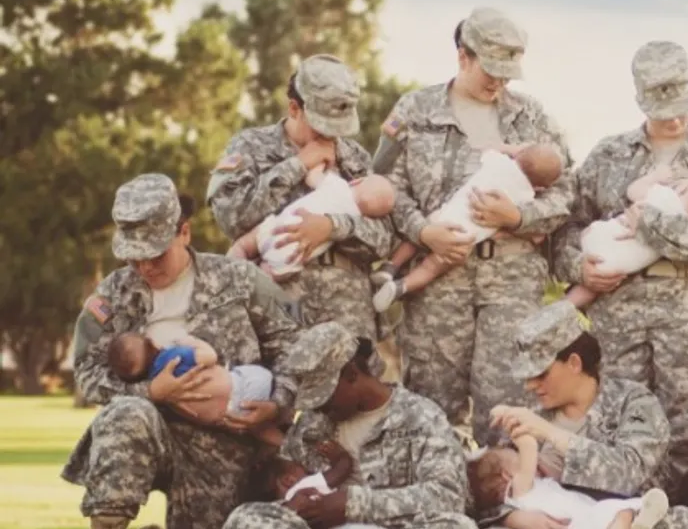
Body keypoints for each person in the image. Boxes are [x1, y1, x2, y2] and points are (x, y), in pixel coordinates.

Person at [62, 174, 300, 529]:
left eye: (155, 255)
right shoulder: (114, 295)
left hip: (225, 442)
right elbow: (87, 371)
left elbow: (294, 349)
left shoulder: (240, 281)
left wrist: (276, 404)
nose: (145, 267)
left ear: (184, 231)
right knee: (127, 413)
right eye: (134, 257)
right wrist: (148, 391)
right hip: (149, 431)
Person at [370, 7, 574, 444]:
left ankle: (507, 505)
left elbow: (566, 192)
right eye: (491, 70)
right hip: (438, 280)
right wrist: (423, 231)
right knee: (430, 409)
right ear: (464, 56)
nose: (499, 82)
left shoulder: (531, 117)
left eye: (508, 73)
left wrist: (519, 217)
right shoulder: (415, 110)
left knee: (509, 406)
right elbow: (384, 186)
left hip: (512, 279)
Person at [554, 40, 688, 492]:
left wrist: (651, 225)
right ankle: (620, 521)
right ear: (640, 97)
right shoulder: (608, 155)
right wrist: (580, 267)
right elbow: (566, 229)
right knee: (618, 423)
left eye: (679, 103)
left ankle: (683, 526)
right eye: (661, 107)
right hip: (618, 309)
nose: (673, 117)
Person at [222, 323, 482, 529]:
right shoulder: (315, 423)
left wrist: (352, 504)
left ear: (351, 375)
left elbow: (447, 496)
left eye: (324, 397)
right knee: (243, 521)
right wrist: (296, 503)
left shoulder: (420, 416)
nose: (319, 407)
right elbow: (291, 478)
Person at [475, 302, 688, 529]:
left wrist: (550, 434)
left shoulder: (632, 401)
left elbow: (629, 474)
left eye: (541, 374)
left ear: (574, 363)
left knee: (684, 525)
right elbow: (492, 486)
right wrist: (515, 518)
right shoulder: (529, 412)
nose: (531, 386)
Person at [207, 53, 392, 373]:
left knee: (352, 414)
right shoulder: (250, 146)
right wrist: (296, 166)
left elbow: (384, 239)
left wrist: (332, 227)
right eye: (322, 125)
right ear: (294, 107)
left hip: (346, 311)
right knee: (272, 402)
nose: (331, 136)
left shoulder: (355, 157)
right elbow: (230, 218)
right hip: (276, 306)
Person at [468, 414, 670, 529]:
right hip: (579, 528)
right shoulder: (520, 489)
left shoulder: (527, 490)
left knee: (620, 515)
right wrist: (518, 426)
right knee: (619, 514)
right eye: (514, 455)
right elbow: (529, 447)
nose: (525, 460)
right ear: (506, 475)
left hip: (580, 527)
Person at [371, 144, 564, 311]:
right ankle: (401, 286)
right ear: (541, 188)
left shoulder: (499, 162)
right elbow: (536, 229)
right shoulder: (526, 195)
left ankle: (390, 267)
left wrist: (510, 149)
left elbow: (490, 150)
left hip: (446, 215)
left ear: (518, 156)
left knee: (417, 236)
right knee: (432, 266)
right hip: (463, 237)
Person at [565, 169, 688, 309]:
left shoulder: (665, 195)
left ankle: (560, 308)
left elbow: (633, 191)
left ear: (683, 187)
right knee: (596, 284)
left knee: (595, 247)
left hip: (604, 237)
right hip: (623, 264)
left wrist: (652, 178)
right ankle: (568, 305)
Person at [226, 169, 396, 280]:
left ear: (357, 181)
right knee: (264, 277)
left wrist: (321, 165)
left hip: (276, 227)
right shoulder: (354, 217)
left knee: (243, 245)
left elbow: (312, 176)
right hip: (291, 254)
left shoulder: (337, 184)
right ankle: (253, 278)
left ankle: (229, 271)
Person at [260, 440, 398, 529]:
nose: (307, 471)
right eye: (299, 468)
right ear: (289, 480)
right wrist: (340, 455)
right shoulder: (302, 487)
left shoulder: (285, 510)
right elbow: (342, 470)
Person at [107, 331, 275, 430]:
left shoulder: (161, 387)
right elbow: (210, 357)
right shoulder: (173, 357)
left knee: (258, 429)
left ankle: (280, 445)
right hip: (243, 386)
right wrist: (194, 342)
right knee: (265, 378)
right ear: (153, 343)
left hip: (228, 419)